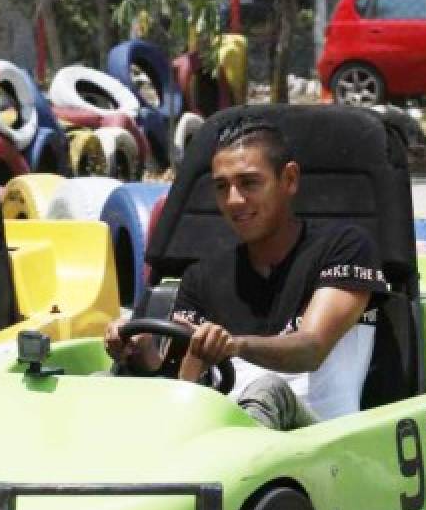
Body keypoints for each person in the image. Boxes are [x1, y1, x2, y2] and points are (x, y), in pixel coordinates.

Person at [103, 117, 388, 430]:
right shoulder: (202, 276)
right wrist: (141, 354)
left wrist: (235, 345)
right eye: (222, 187)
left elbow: (311, 348)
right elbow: (182, 387)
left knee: (267, 391)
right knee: (102, 384)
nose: (234, 201)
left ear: (289, 179)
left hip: (318, 438)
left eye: (249, 183)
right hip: (229, 437)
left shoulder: (344, 247)